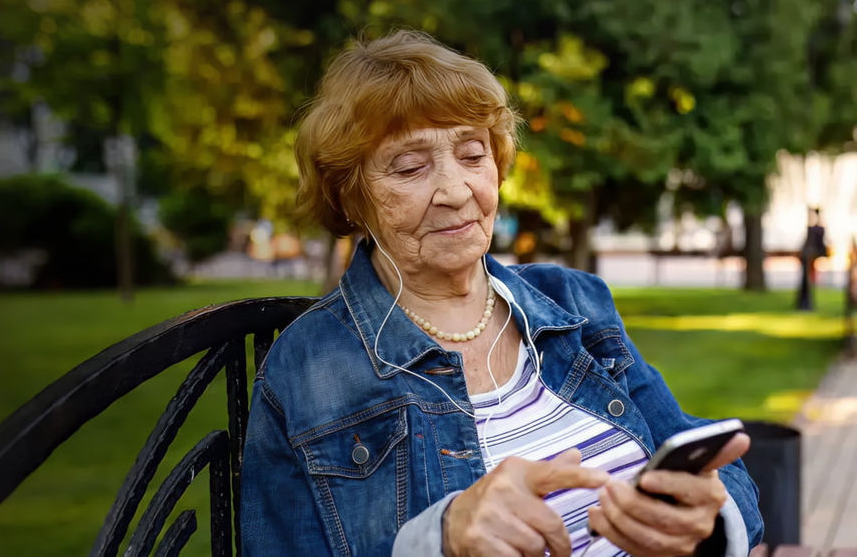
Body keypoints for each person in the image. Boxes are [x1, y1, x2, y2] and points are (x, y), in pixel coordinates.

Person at [240, 30, 762, 557]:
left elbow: (700, 458)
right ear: (350, 196)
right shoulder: (310, 367)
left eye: (472, 155)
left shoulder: (574, 301)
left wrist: (707, 517)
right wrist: (439, 540)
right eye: (410, 167)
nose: (455, 190)